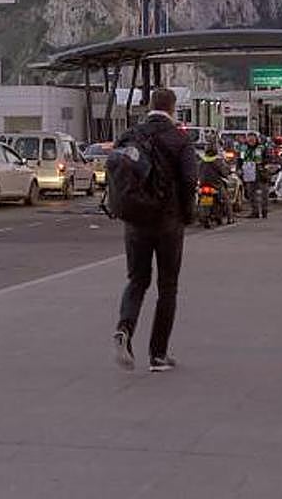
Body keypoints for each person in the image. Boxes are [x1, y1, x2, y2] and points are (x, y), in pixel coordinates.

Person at [113, 87, 198, 373]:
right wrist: (188, 214)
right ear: (173, 109)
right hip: (168, 222)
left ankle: (124, 328)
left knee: (136, 280)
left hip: (135, 221)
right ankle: (158, 355)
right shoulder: (180, 139)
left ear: (150, 107)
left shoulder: (130, 135)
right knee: (168, 286)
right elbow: (189, 181)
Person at [198, 138, 231, 220]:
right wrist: (227, 173)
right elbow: (224, 172)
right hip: (216, 184)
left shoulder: (201, 161)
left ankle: (203, 216)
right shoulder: (218, 161)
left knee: (201, 199)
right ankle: (230, 218)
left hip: (203, 184)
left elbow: (197, 172)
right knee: (226, 199)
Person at [239, 134, 269, 219]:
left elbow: (268, 158)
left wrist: (264, 165)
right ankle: (254, 211)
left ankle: (264, 211)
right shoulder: (244, 148)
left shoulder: (262, 148)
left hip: (261, 173)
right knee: (251, 193)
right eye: (249, 140)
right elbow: (240, 159)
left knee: (264, 194)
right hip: (249, 173)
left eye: (252, 140)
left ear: (256, 139)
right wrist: (239, 168)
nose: (251, 141)